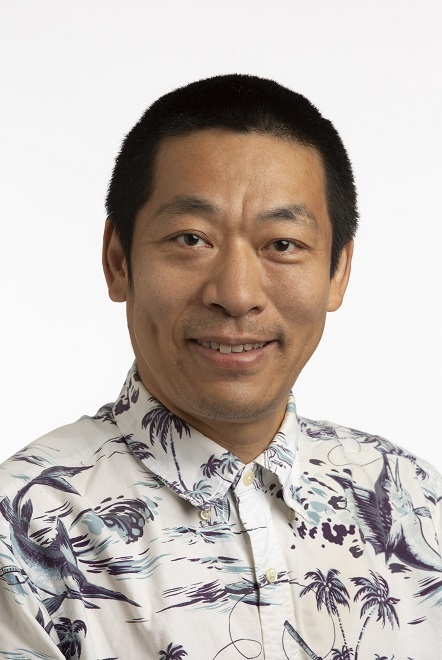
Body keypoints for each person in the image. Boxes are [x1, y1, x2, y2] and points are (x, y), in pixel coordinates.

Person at [0, 74, 440, 660]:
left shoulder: (417, 504)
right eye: (191, 239)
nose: (236, 295)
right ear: (118, 261)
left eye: (282, 244)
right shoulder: (22, 533)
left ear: (338, 272)